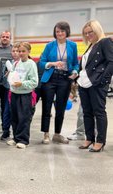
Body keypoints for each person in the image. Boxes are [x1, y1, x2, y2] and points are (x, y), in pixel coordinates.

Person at [39, 21, 79, 144]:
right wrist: (53, 63)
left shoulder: (72, 45)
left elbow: (76, 63)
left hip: (65, 79)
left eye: (62, 31)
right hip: (50, 78)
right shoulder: (49, 45)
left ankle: (57, 134)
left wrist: (75, 71)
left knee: (60, 108)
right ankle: (46, 134)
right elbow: (41, 62)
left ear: (67, 32)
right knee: (47, 107)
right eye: (57, 31)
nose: (59, 33)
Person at [77, 20, 113, 152]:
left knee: (99, 112)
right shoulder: (91, 46)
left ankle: (100, 141)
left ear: (97, 30)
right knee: (87, 113)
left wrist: (103, 81)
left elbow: (111, 62)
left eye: (90, 32)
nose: (88, 35)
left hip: (97, 84)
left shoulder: (105, 42)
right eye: (85, 33)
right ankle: (89, 138)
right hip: (84, 84)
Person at [7, 42, 38, 149]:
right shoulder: (16, 63)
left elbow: (34, 82)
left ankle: (23, 140)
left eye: (23, 51)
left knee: (24, 118)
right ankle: (16, 138)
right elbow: (13, 76)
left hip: (25, 95)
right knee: (14, 117)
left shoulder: (31, 64)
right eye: (19, 51)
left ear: (29, 51)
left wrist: (22, 84)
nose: (20, 53)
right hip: (15, 94)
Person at [0, 30, 13, 141]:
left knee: (6, 109)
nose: (5, 38)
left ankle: (5, 131)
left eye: (7, 37)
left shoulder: (13, 49)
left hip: (7, 84)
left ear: (10, 38)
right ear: (0, 38)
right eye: (3, 36)